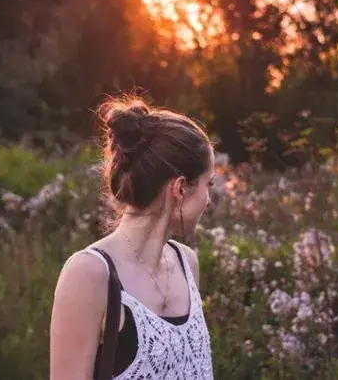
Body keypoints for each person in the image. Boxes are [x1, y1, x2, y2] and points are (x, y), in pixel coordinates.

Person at [49, 96, 216, 380]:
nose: (209, 200)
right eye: (207, 184)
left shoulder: (187, 263)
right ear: (180, 188)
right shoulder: (89, 273)